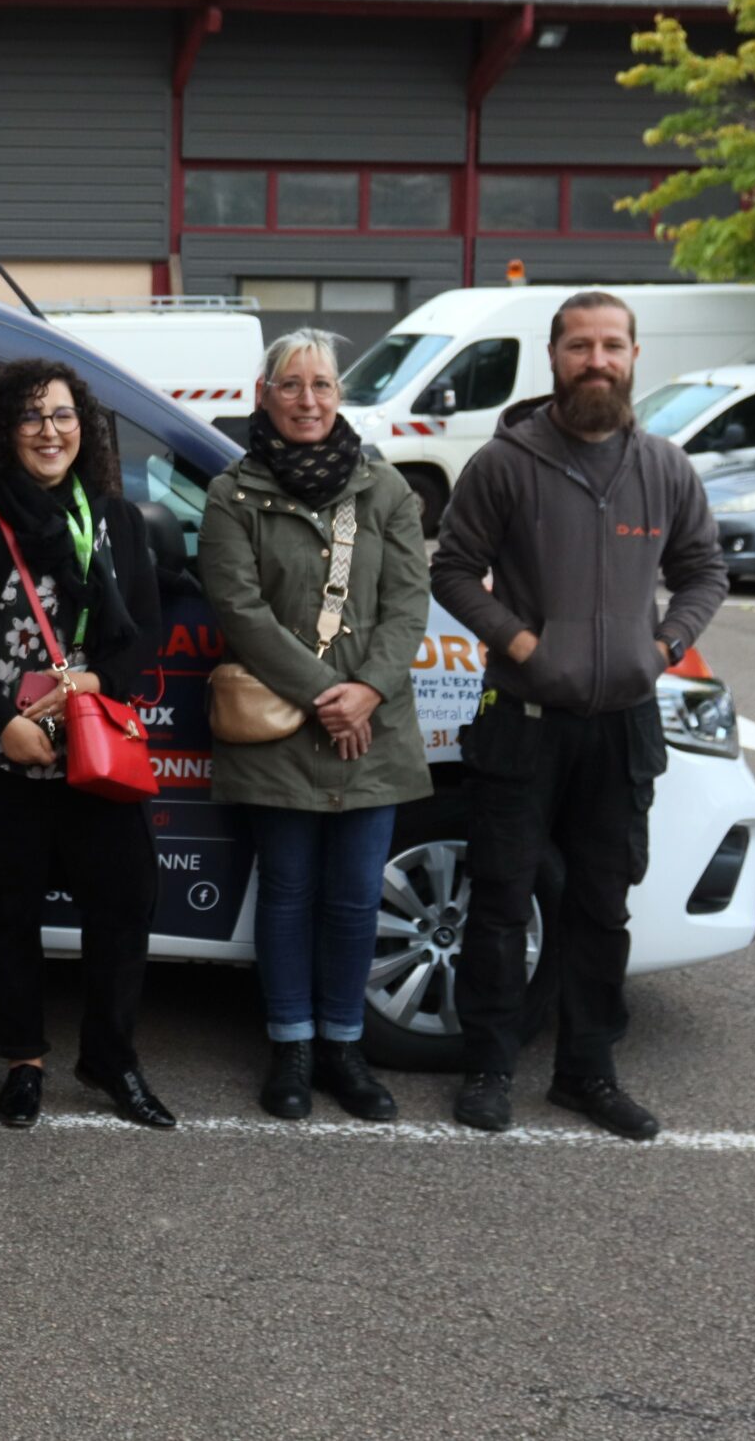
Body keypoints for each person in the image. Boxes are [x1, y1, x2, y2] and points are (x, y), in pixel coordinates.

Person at [432, 290, 727, 1140]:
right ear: (554, 357)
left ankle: (587, 1072)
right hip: (521, 720)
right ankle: (488, 1066)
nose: (596, 361)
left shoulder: (665, 468)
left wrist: (663, 648)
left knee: (603, 906)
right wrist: (522, 644)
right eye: (579, 346)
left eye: (611, 346)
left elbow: (704, 572)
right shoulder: (505, 463)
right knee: (501, 899)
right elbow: (453, 569)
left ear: (633, 356)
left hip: (623, 725)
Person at [0, 357, 172, 1130]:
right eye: (30, 417)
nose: (49, 431)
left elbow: (145, 630)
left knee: (125, 899)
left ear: (83, 427)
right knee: (8, 910)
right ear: (4, 431)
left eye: (62, 415)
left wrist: (98, 682)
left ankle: (110, 1059)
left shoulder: (117, 521)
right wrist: (8, 723)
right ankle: (22, 1062)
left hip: (90, 746)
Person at [198, 329, 430, 1124]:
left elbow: (408, 604)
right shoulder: (232, 494)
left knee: (357, 898)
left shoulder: (385, 489)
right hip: (281, 727)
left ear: (340, 395)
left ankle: (344, 1047)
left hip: (374, 727)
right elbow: (239, 611)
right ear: (263, 396)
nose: (307, 400)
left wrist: (368, 691)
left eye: (322, 385)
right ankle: (291, 1046)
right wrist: (332, 695)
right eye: (291, 386)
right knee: (289, 892)